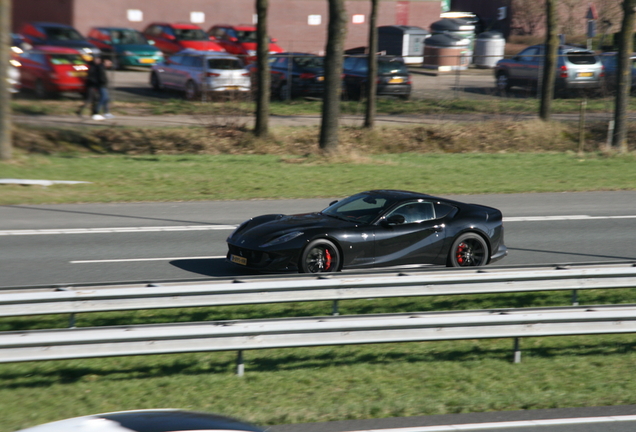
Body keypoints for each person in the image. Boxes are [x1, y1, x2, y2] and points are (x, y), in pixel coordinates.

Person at [77, 55, 113, 120]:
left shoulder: (98, 66)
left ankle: (96, 113)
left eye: (98, 60)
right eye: (96, 59)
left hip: (95, 85)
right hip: (91, 85)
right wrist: (96, 82)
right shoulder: (93, 66)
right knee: (90, 99)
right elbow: (92, 76)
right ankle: (89, 112)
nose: (97, 61)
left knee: (96, 99)